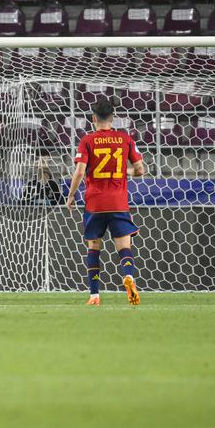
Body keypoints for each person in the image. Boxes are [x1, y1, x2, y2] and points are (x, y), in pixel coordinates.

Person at [66, 98, 146, 306]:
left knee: (94, 246)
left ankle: (94, 295)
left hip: (95, 203)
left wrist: (71, 194)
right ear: (112, 118)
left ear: (93, 118)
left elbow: (80, 172)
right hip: (118, 202)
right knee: (124, 246)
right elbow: (140, 170)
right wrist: (123, 171)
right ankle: (128, 276)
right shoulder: (125, 138)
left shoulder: (87, 141)